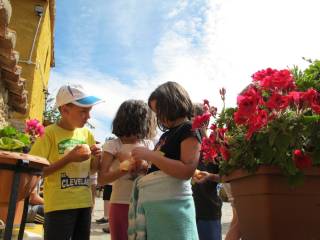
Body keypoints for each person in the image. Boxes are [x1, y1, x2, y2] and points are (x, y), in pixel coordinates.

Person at [29, 84, 103, 240]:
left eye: (89, 111)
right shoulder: (49, 134)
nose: (88, 116)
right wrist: (69, 158)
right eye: (83, 111)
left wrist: (97, 156)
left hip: (83, 203)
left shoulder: (87, 134)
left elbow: (93, 170)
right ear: (64, 110)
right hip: (58, 205)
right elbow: (36, 171)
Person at [129, 81, 201, 240]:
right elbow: (160, 166)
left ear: (173, 103)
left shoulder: (189, 129)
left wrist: (150, 155)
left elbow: (186, 170)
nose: (158, 117)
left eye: (159, 111)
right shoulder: (166, 135)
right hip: (156, 208)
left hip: (173, 207)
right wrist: (143, 168)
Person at [98, 100, 156, 240]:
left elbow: (154, 173)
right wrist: (124, 168)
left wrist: (144, 167)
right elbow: (102, 178)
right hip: (120, 203)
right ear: (142, 121)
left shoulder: (148, 144)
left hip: (144, 204)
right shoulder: (113, 145)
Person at [191, 103, 222, 240]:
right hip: (188, 211)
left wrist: (209, 176)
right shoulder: (185, 145)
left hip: (208, 211)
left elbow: (226, 177)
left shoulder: (216, 144)